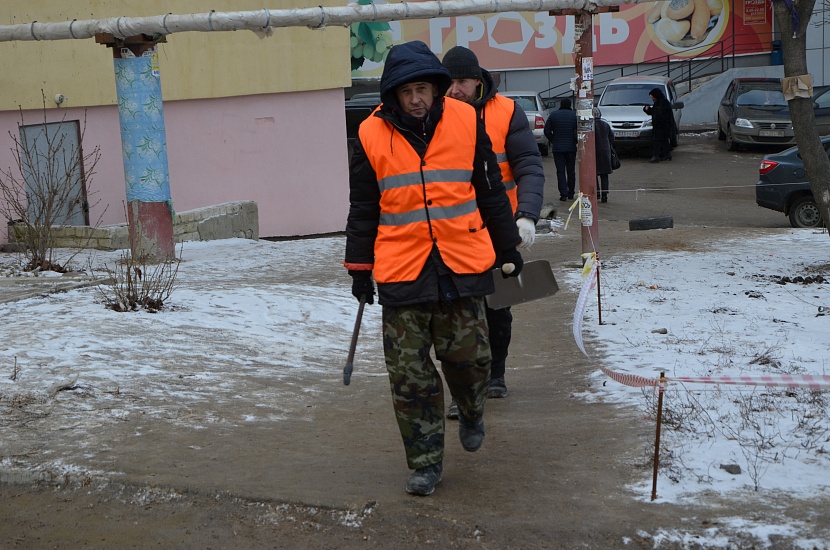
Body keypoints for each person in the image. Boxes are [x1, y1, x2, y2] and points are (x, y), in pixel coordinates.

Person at [344, 40, 524, 497]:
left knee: (471, 361)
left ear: (437, 88)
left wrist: (508, 248)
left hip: (461, 264)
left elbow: (489, 192)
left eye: (423, 88)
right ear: (393, 94)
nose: (417, 99)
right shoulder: (369, 134)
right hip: (402, 269)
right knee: (410, 378)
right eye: (407, 92)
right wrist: (360, 269)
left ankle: (472, 409)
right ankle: (424, 462)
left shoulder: (467, 121)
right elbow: (364, 207)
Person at [440, 45, 544, 412]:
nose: (455, 90)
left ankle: (496, 374)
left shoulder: (507, 112)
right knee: (460, 314)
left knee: (499, 310)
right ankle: (466, 388)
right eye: (449, 82)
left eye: (463, 82)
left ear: (478, 79)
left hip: (500, 233)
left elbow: (529, 165)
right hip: (455, 235)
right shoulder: (436, 114)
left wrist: (527, 215)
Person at [543, 97, 578, 201]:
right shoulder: (574, 116)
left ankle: (563, 194)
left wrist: (553, 140)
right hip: (571, 147)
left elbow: (546, 131)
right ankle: (571, 193)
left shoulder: (553, 115)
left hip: (558, 148)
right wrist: (575, 141)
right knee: (571, 171)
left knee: (560, 171)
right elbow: (578, 131)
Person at [643, 87, 673, 162]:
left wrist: (653, 114)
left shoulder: (664, 103)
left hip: (662, 126)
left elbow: (660, 114)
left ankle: (656, 156)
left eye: (652, 97)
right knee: (663, 141)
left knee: (657, 141)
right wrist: (647, 110)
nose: (652, 98)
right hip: (660, 126)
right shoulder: (658, 102)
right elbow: (654, 112)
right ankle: (667, 154)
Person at [593, 107, 614, 203]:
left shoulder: (591, 126)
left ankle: (596, 193)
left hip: (594, 152)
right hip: (605, 152)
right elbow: (611, 137)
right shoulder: (605, 125)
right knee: (604, 174)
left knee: (594, 174)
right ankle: (604, 195)